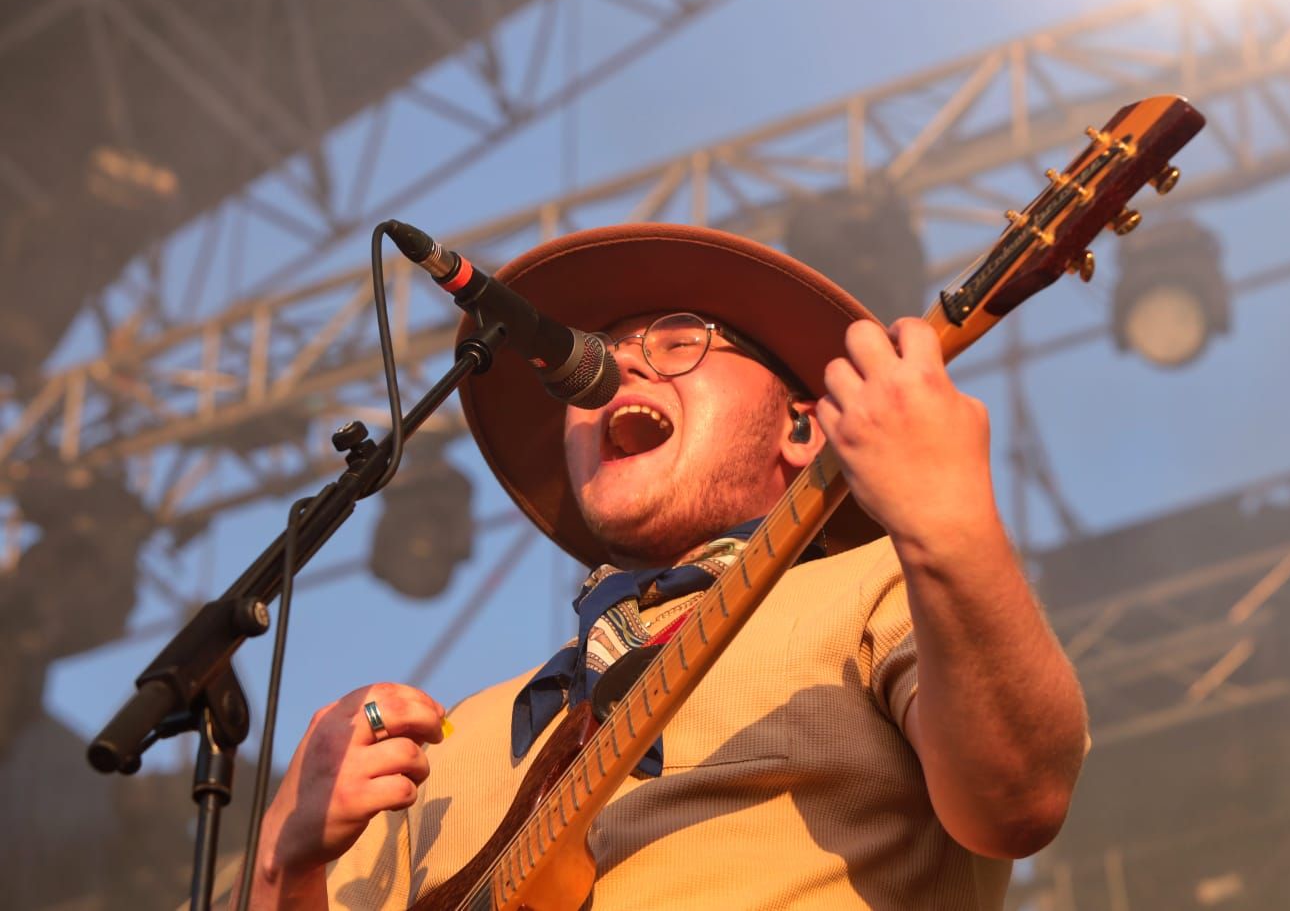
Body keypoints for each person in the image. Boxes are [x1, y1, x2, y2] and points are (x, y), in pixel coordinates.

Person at [242, 223, 1089, 909]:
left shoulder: (884, 590)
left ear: (803, 429)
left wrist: (950, 517)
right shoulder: (431, 750)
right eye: (590, 354)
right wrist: (284, 863)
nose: (617, 368)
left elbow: (1018, 801)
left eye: (680, 340)